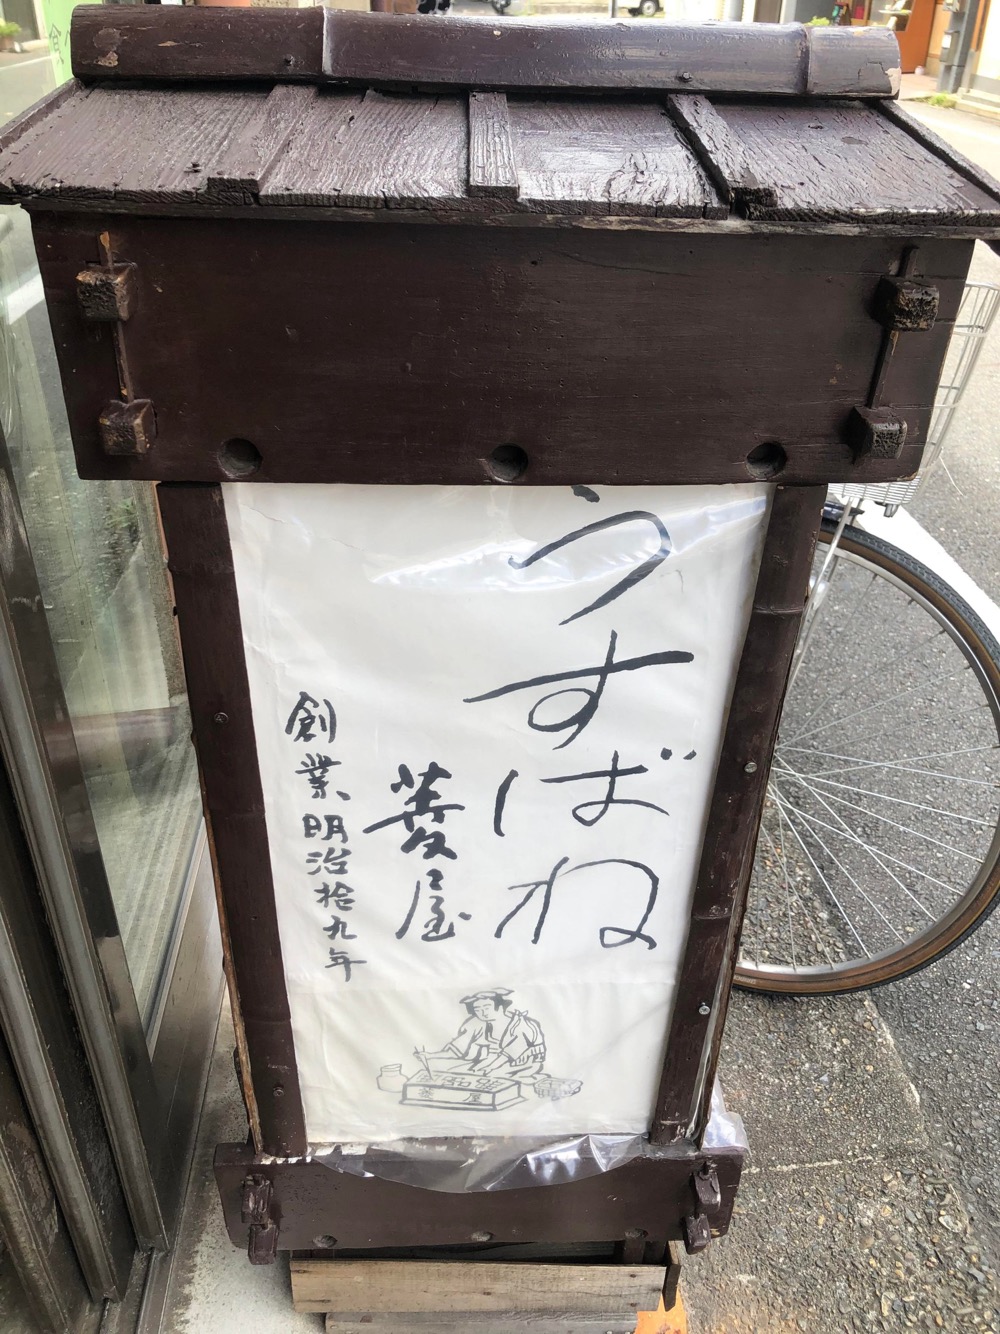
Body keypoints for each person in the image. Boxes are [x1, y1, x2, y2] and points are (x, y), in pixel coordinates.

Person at [421, 989, 546, 1082]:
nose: (482, 1013)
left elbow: (506, 1057)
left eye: (487, 1007)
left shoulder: (520, 1025)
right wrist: (429, 1056)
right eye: (477, 1009)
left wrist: (481, 1070)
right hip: (487, 1063)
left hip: (520, 1065)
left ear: (500, 1006)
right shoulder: (476, 1024)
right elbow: (457, 1050)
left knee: (491, 1076)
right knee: (452, 1073)